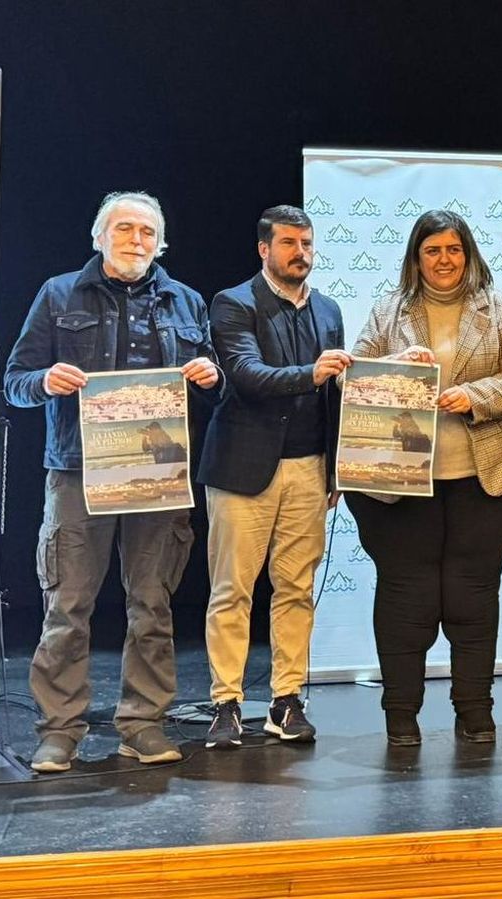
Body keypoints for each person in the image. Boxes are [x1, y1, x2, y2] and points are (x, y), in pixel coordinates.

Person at [3, 191, 220, 772]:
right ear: (98, 237)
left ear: (161, 243)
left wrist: (209, 375)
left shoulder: (186, 301)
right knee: (68, 604)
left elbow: (213, 389)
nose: (136, 240)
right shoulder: (58, 294)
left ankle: (143, 722)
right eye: (124, 229)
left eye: (148, 232)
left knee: (153, 604)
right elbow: (14, 381)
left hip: (158, 471)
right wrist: (44, 379)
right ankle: (59, 729)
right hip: (77, 469)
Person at [347, 210, 502, 746]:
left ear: (468, 254)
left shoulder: (494, 305)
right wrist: (398, 368)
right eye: (432, 250)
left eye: (454, 249)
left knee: (472, 596)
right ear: (416, 257)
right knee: (406, 598)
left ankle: (475, 712)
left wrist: (474, 396)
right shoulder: (389, 310)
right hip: (402, 483)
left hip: (487, 479)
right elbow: (354, 378)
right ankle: (401, 717)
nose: (444, 260)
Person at [198, 206, 348, 750]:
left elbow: (336, 396)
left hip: (310, 469)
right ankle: (225, 703)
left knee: (296, 589)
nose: (299, 253)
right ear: (264, 249)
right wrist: (312, 373)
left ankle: (287, 701)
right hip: (243, 471)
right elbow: (245, 374)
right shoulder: (233, 303)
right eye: (288, 243)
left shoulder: (328, 309)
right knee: (231, 591)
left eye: (306, 243)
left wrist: (339, 466)